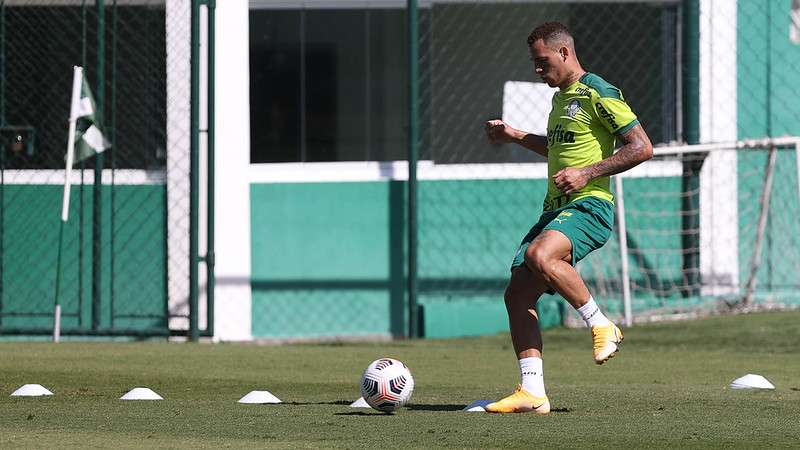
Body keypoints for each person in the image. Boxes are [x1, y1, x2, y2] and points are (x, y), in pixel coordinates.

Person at [483, 21, 653, 414]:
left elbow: (642, 147)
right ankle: (532, 392)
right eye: (533, 64)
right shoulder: (561, 99)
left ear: (564, 52)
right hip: (555, 208)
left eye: (542, 62)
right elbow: (560, 150)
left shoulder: (599, 92)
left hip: (590, 205)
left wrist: (587, 173)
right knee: (518, 295)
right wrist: (515, 135)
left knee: (540, 256)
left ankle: (600, 324)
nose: (537, 71)